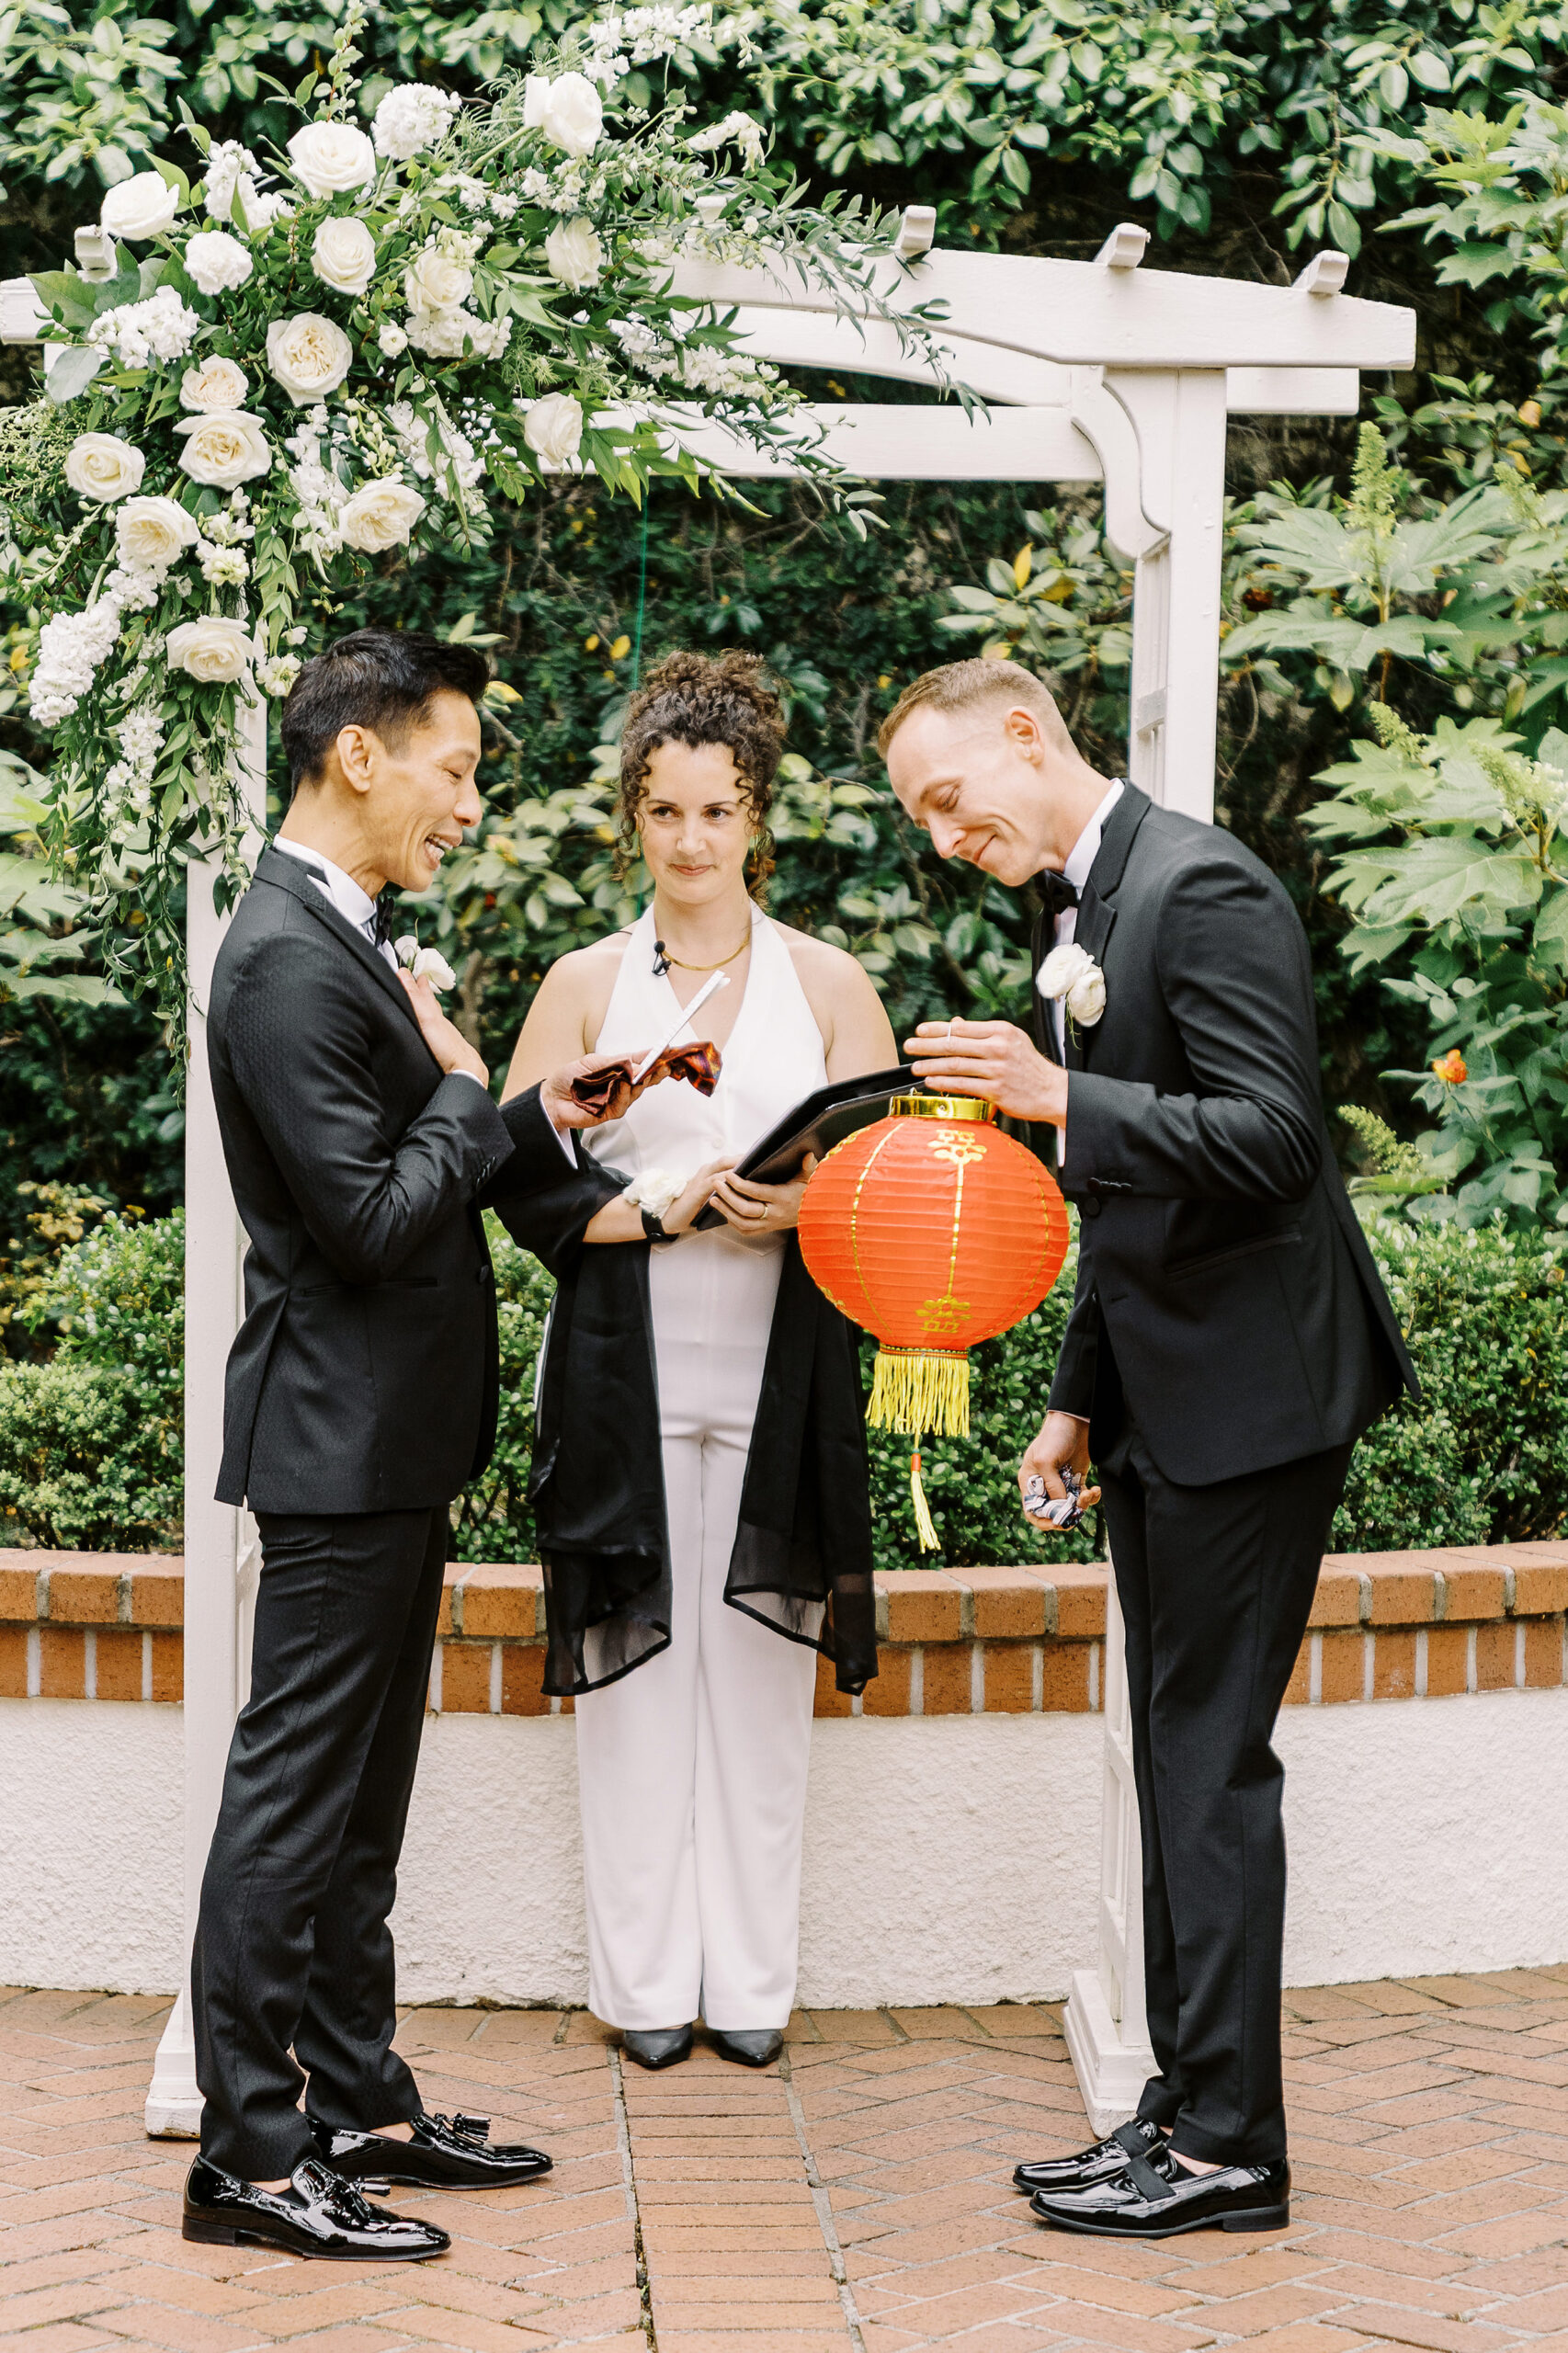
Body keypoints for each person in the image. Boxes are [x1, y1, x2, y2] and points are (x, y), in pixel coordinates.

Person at [883, 657, 1416, 2242]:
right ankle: (1178, 2113)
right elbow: (1129, 1205)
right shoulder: (1084, 911)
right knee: (1175, 1762)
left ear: (1026, 736)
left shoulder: (1203, 885)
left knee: (1206, 1769)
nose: (938, 832)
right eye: (921, 812)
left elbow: (1271, 1141)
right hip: (1165, 1399)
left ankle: (1228, 2147)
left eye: (945, 793)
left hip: (1253, 1405)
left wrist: (1056, 1092)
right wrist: (1075, 1396)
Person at [185, 630, 655, 2263]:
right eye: (453, 767)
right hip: (335, 1442)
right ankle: (250, 2153)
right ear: (361, 756)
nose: (469, 800)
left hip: (389, 1443)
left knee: (359, 1806)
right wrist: (469, 1091)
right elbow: (377, 1225)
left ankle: (356, 2100)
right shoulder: (281, 960)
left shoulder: (342, 939)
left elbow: (410, 1160)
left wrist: (537, 1120)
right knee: (292, 1804)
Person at [496, 649, 895, 2072]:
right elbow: (508, 1157)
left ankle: (752, 1986)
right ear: (631, 819)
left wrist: (809, 1205)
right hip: (625, 1360)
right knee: (634, 1675)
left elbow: (897, 1180)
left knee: (758, 1672)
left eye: (715, 813)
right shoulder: (587, 984)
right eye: (663, 814)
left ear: (755, 818)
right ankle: (645, 1983)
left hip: (779, 1365)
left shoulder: (830, 985)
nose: (689, 842)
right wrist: (629, 1210)